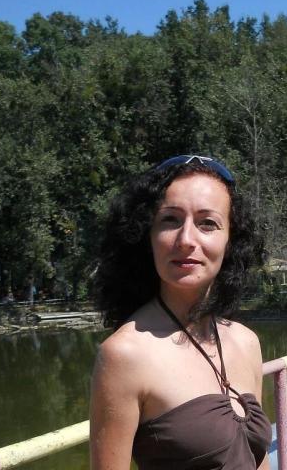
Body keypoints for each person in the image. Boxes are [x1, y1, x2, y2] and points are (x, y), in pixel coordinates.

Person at [90, 155, 272, 469]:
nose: (186, 240)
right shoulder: (124, 355)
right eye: (170, 220)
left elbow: (259, 460)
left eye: (207, 223)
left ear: (230, 240)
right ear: (147, 237)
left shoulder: (246, 342)